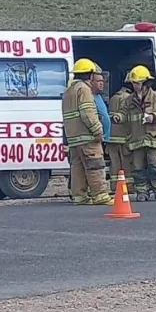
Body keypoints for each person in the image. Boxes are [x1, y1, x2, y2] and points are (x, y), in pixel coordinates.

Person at [62, 58, 112, 205]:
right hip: (87, 137)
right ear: (90, 75)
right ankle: (100, 195)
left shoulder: (68, 90)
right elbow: (87, 113)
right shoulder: (84, 89)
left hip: (74, 138)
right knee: (94, 165)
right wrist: (98, 131)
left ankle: (80, 197)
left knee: (77, 168)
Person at [126, 76, 156, 201]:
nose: (135, 85)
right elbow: (125, 114)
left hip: (154, 139)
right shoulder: (130, 100)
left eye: (137, 83)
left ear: (146, 84)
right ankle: (142, 191)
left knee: (155, 165)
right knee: (138, 167)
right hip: (137, 139)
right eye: (133, 83)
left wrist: (154, 117)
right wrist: (118, 117)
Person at [108, 66, 150, 188]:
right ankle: (128, 187)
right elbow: (128, 119)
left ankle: (115, 186)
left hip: (111, 137)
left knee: (114, 163)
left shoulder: (113, 97)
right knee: (127, 163)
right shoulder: (128, 98)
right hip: (124, 137)